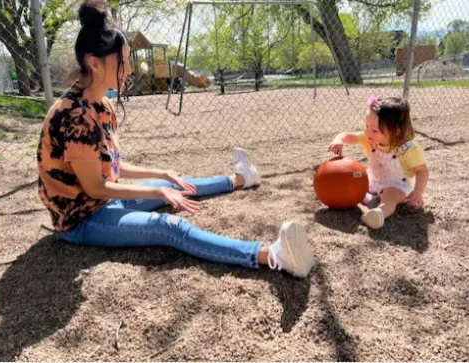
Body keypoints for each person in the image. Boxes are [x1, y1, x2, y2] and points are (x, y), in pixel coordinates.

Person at [36, 0, 315, 278]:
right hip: (83, 219)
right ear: (95, 64)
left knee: (173, 182)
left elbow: (111, 167)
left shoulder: (101, 105)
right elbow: (96, 187)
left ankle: (241, 178)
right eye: (123, 62)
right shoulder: (73, 115)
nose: (130, 70)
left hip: (103, 202)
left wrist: (162, 175)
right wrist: (157, 192)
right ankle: (273, 255)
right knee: (171, 227)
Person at [328, 96, 429, 229]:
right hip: (373, 179)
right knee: (353, 182)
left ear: (396, 131)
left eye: (374, 130)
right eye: (366, 126)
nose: (367, 132)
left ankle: (378, 213)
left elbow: (422, 171)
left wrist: (417, 193)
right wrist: (339, 140)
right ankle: (370, 199)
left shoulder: (408, 150)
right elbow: (347, 135)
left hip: (396, 185)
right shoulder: (368, 138)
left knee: (389, 198)